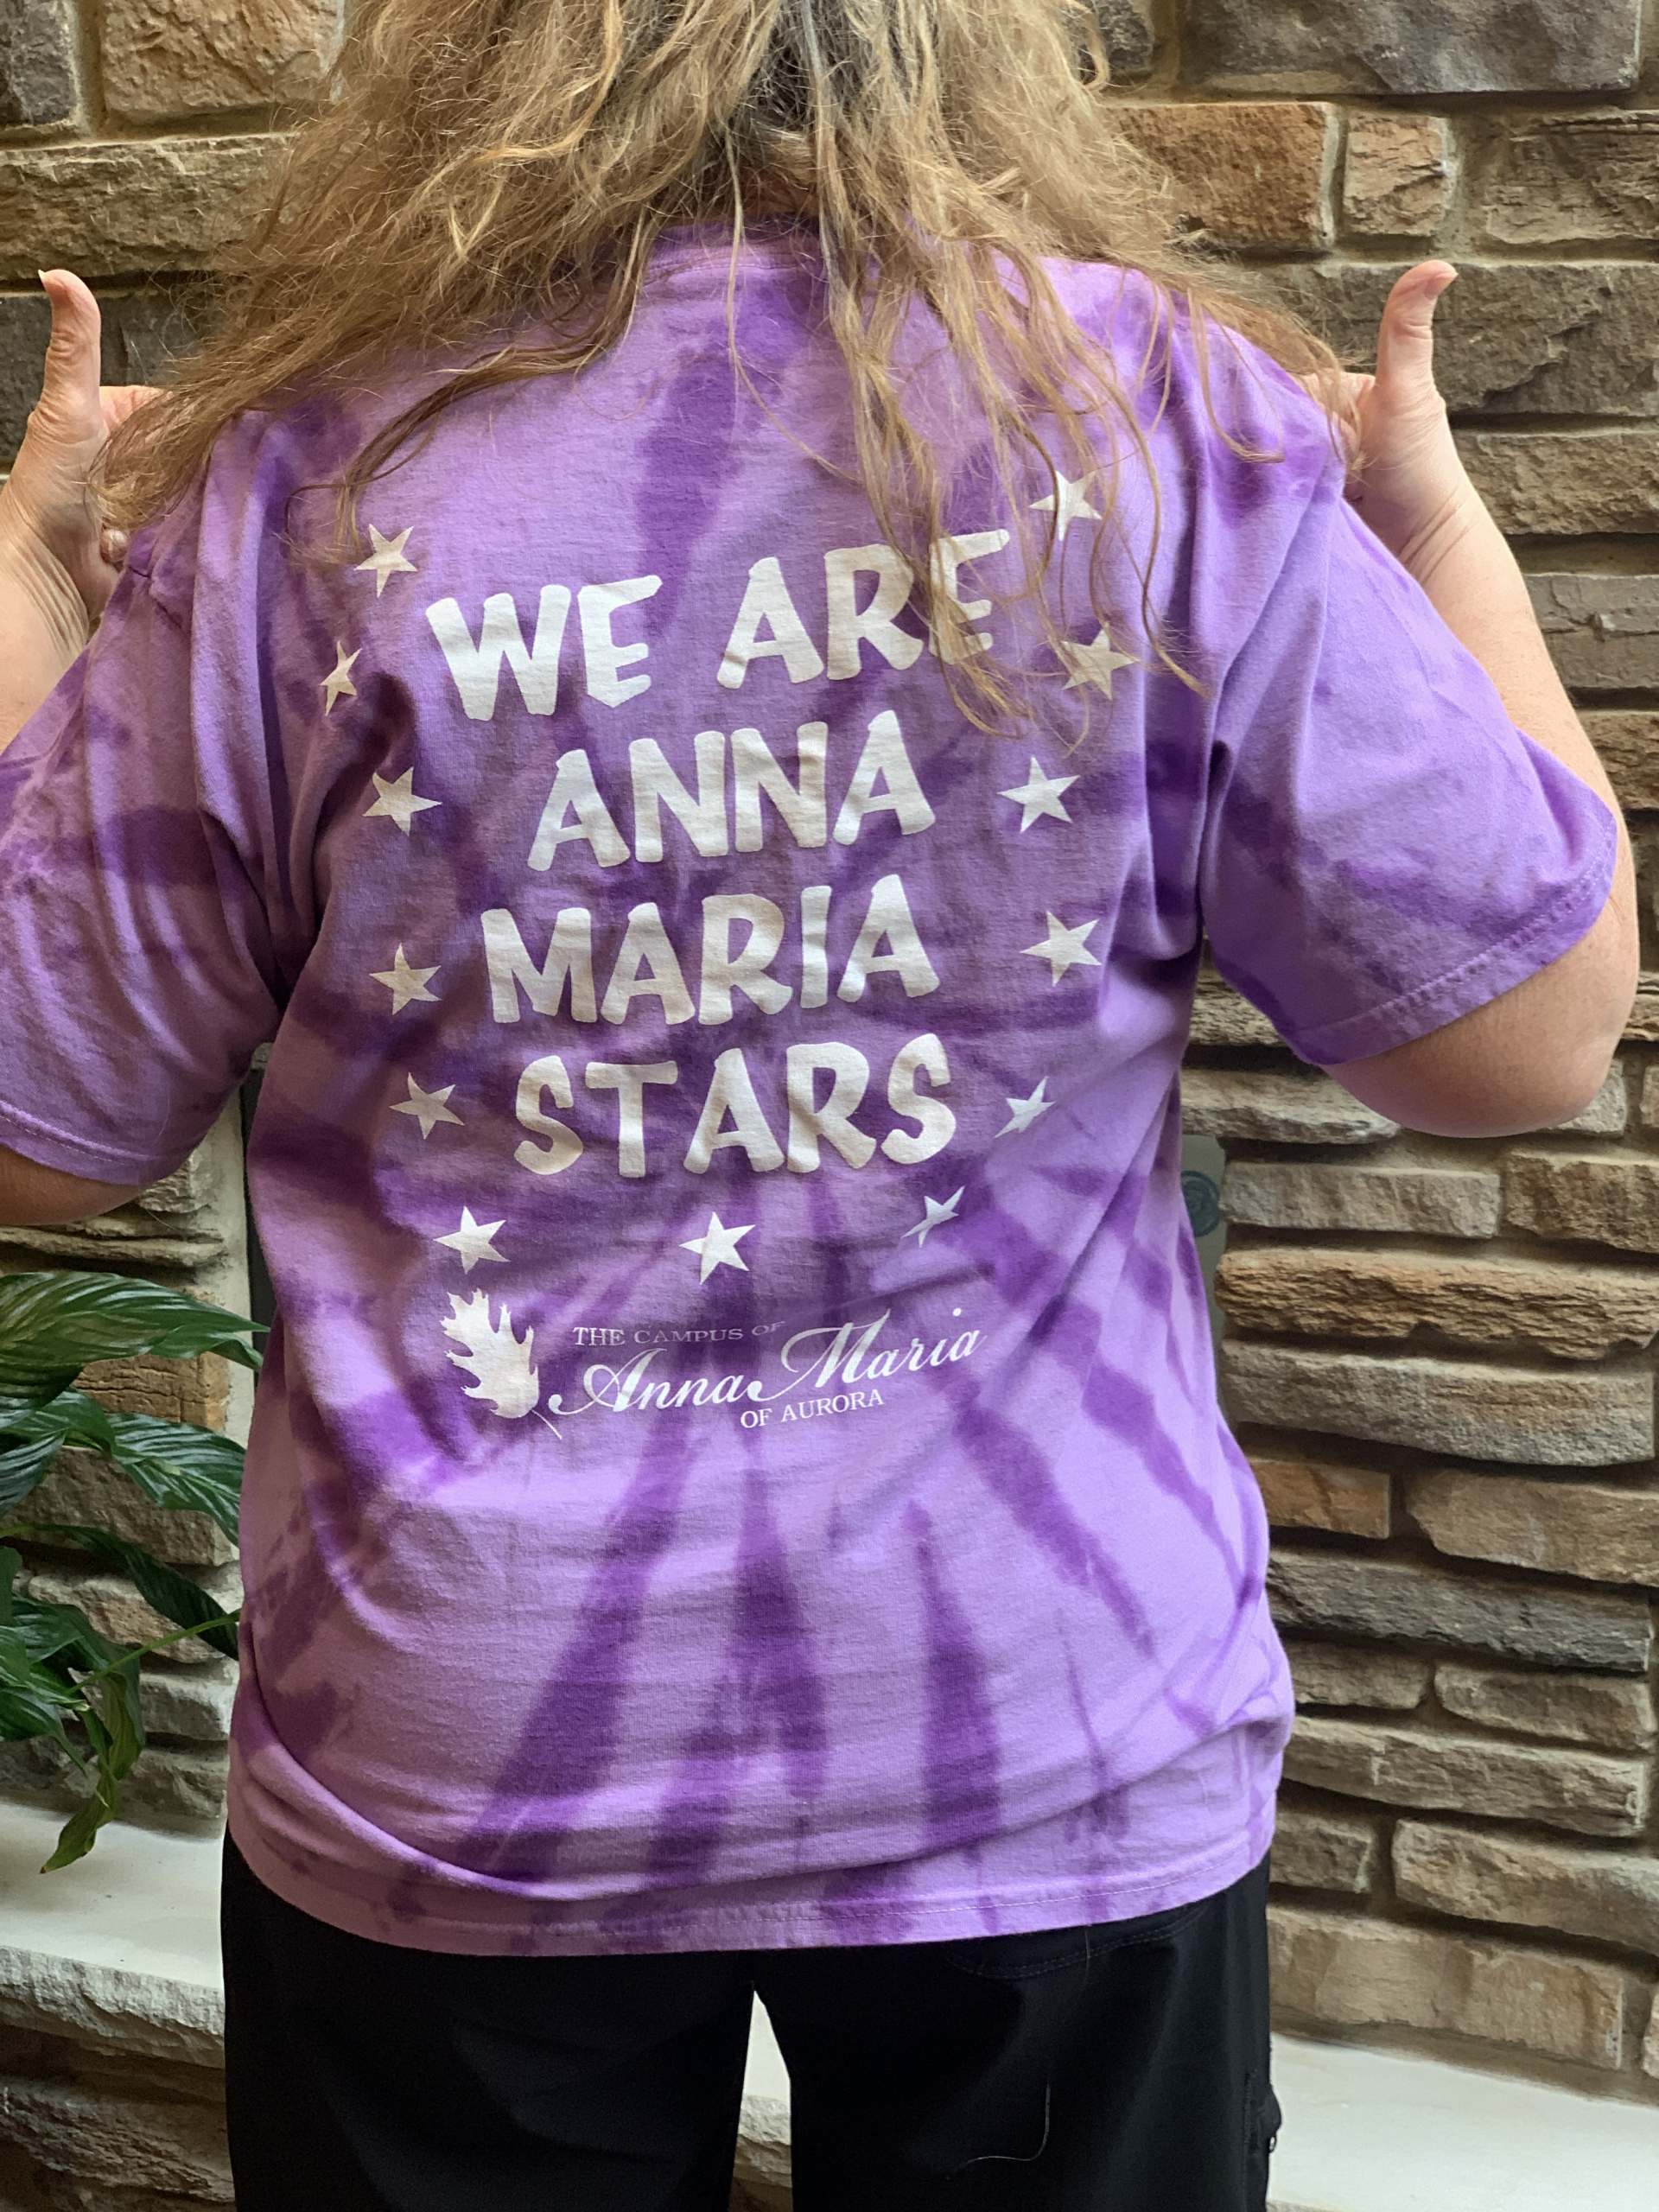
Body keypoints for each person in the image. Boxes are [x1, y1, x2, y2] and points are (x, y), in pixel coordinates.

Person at [0, 3, 1635, 2206]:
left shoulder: (304, 481)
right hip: (1039, 1726)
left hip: (470, 1759)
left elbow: (38, 1128)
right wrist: (1437, 531)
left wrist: (32, 591)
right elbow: (1522, 1042)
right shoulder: (1157, 416)